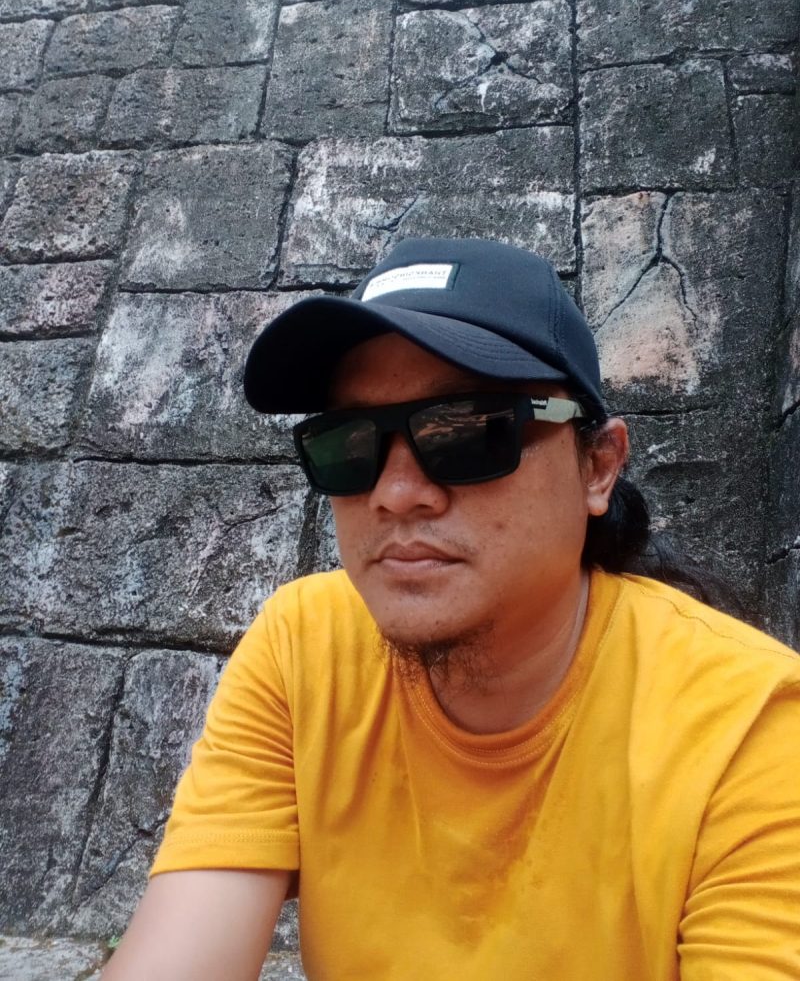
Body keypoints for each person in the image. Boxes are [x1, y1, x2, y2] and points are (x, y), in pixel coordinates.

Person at [102, 238, 800, 981]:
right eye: (349, 443)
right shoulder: (305, 648)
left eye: (468, 432)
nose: (396, 493)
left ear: (597, 467)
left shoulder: (750, 735)